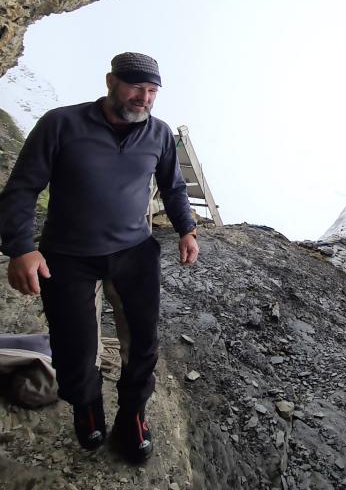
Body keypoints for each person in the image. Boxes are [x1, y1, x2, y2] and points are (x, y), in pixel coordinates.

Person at [0, 52, 199, 463]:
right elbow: (22, 188)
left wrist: (187, 229)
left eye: (152, 91)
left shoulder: (159, 134)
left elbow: (173, 187)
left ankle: (133, 414)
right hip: (68, 255)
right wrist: (21, 248)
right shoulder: (61, 124)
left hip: (133, 252)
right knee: (73, 345)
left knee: (143, 341)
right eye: (136, 88)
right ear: (111, 81)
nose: (144, 98)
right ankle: (87, 406)